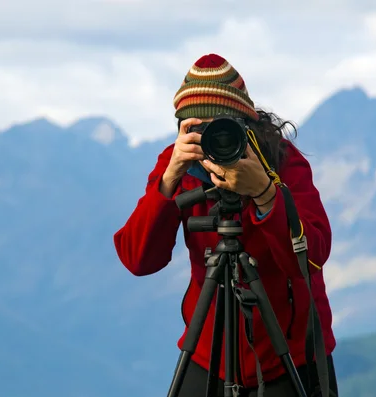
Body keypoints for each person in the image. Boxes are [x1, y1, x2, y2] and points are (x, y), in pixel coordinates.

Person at [113, 53, 339, 397]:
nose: (211, 140)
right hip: (210, 353)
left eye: (223, 127)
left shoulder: (282, 162)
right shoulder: (179, 167)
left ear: (247, 126)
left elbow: (309, 259)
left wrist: (264, 192)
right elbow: (138, 259)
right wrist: (169, 178)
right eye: (196, 128)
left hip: (290, 354)